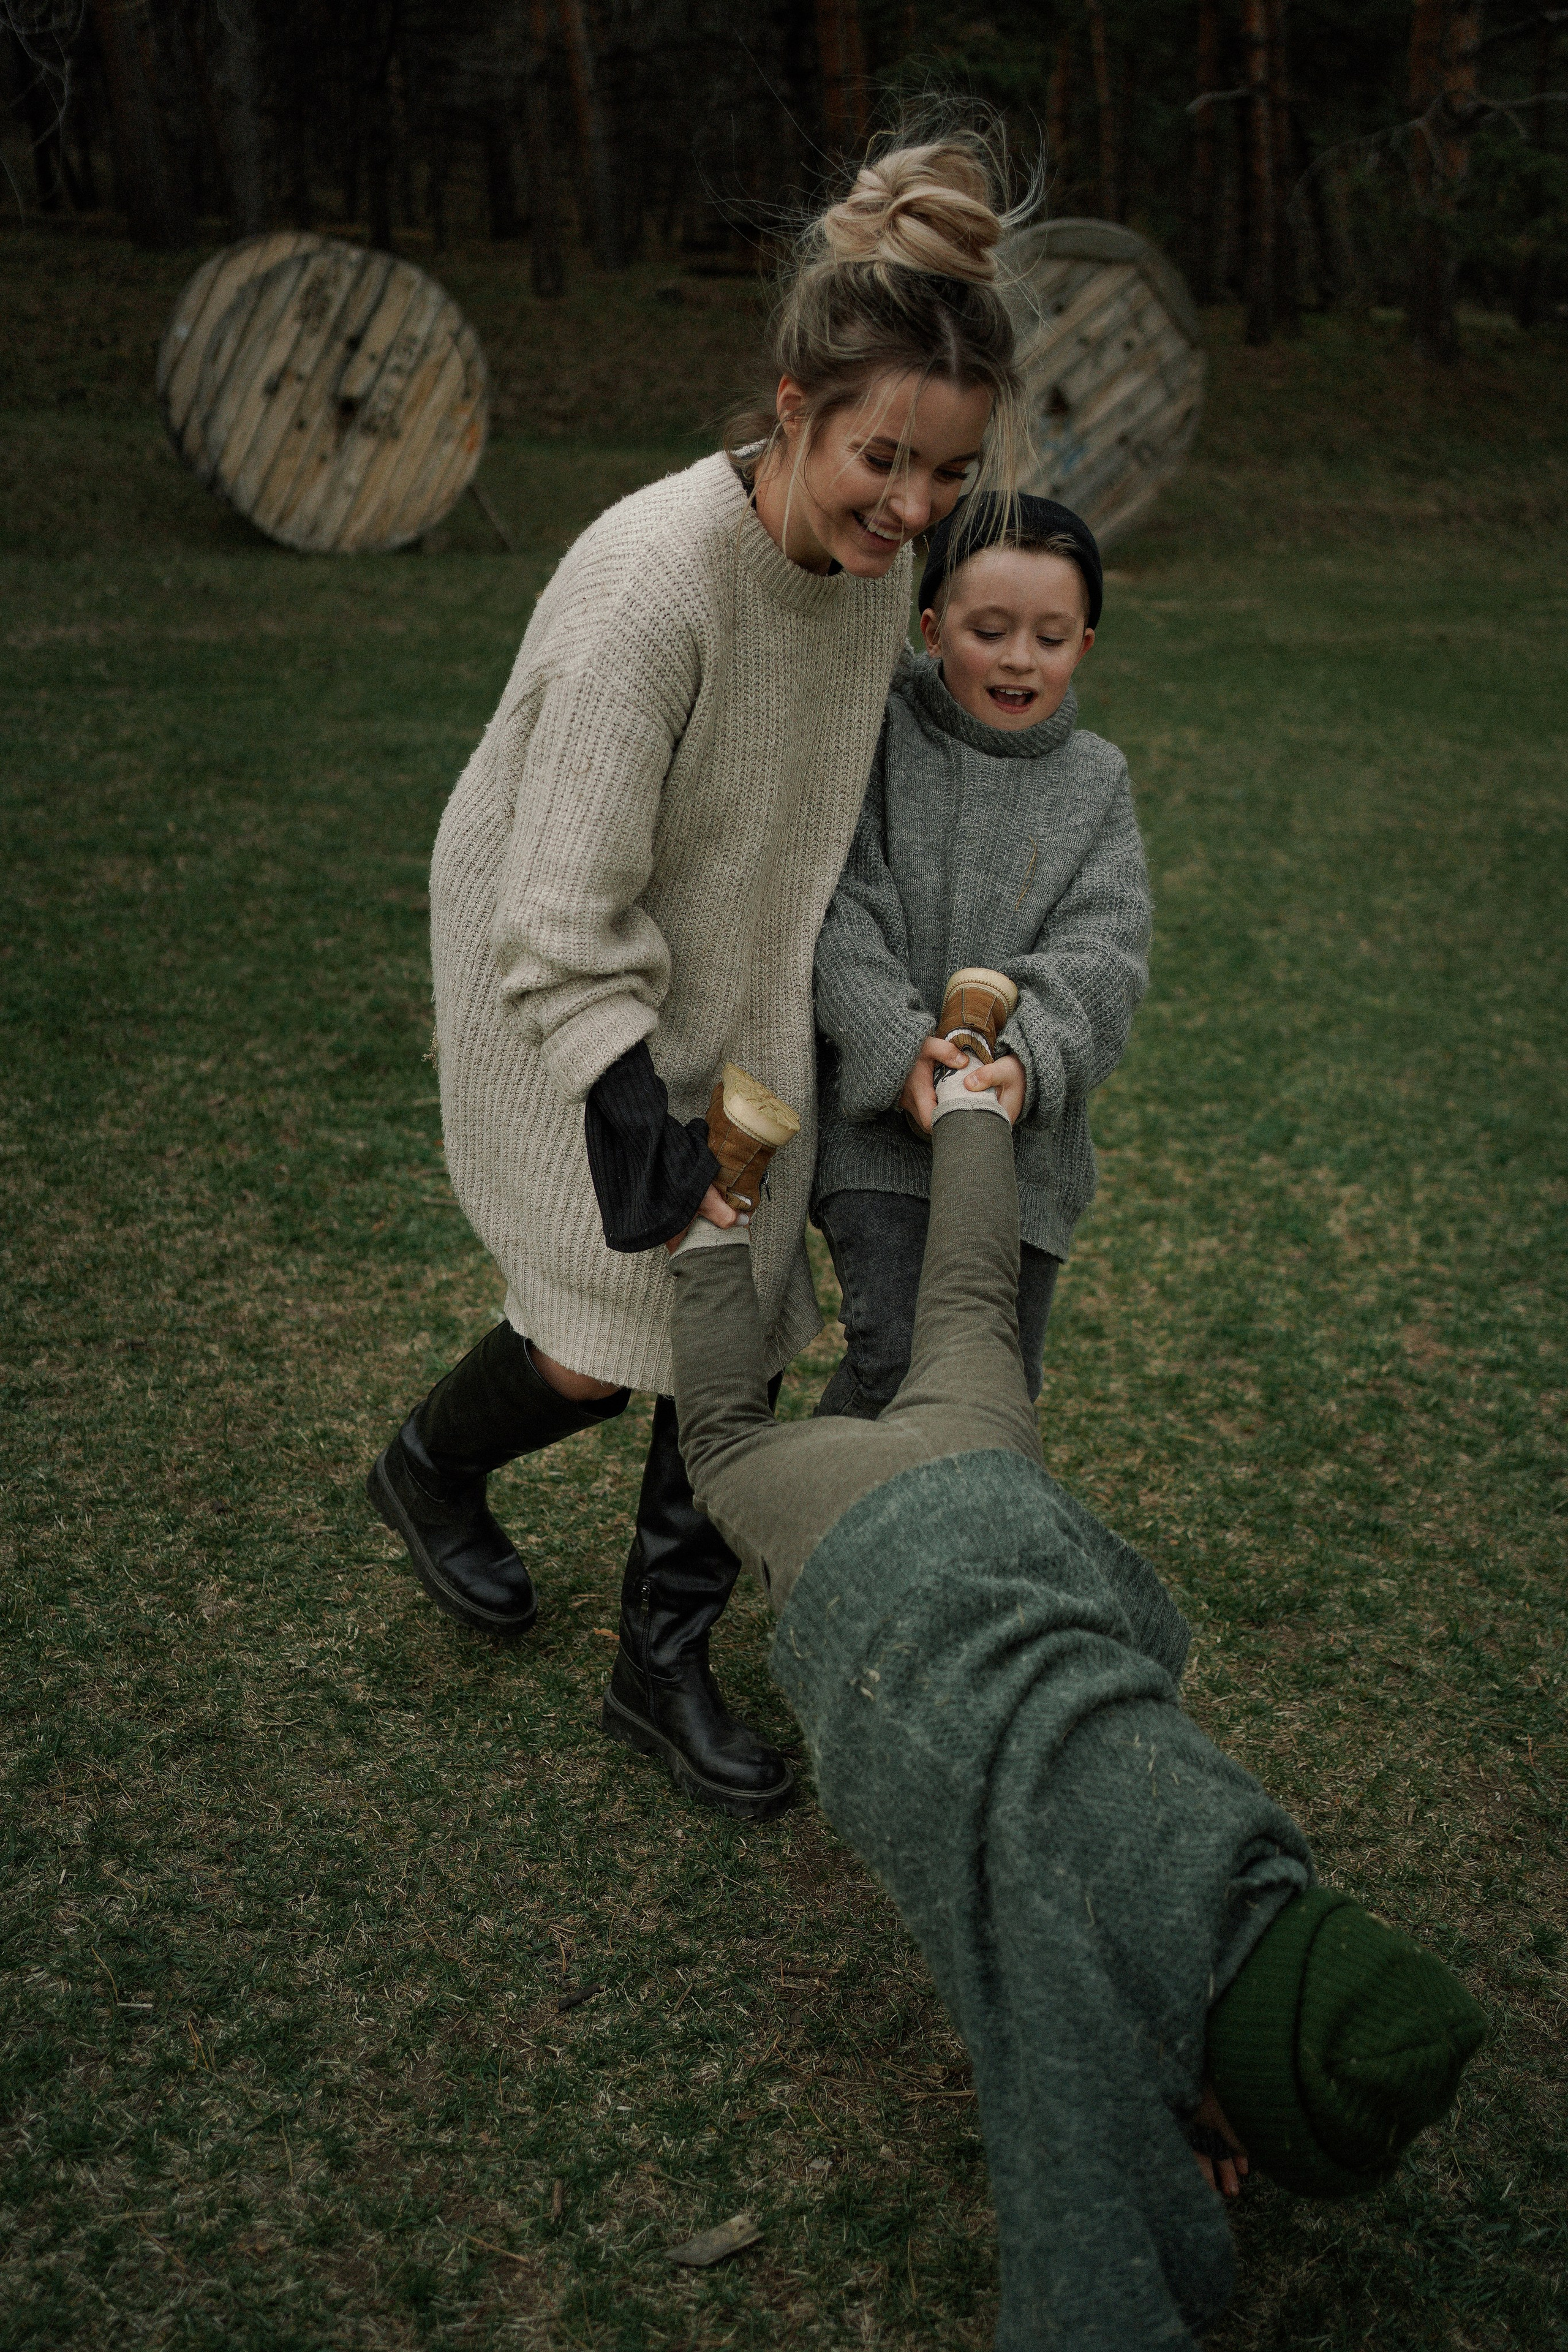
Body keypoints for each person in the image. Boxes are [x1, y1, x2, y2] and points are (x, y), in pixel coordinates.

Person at [367, 134, 1033, 1822]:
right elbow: (558, 902)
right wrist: (620, 1109)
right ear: (796, 403)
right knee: (604, 1348)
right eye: (886, 461)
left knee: (738, 1322)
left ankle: (660, 1660)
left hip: (745, 967)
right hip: (565, 970)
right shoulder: (650, 589)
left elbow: (812, 800)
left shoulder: (870, 579)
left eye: (949, 478)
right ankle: (427, 1469)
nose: (914, 512)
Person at [663, 1061, 1487, 2349]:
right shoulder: (1068, 1967)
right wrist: (1188, 2126)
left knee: (969, 1316)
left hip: (991, 1496)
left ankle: (969, 1107)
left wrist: (1215, 2092)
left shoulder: (1252, 1851)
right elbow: (1071, 2162)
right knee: (718, 1442)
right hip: (856, 1541)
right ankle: (711, 1218)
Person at [812, 491, 1151, 1419]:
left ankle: (932, 1554)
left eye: (1049, 636)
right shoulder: (878, 739)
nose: (1017, 659)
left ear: (1083, 644)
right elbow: (842, 906)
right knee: (899, 1358)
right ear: (931, 628)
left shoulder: (1096, 781)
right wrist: (896, 1038)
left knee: (993, 1384)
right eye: (989, 629)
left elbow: (1105, 951)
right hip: (880, 1130)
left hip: (1021, 1148)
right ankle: (808, 1545)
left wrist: (1026, 1063)